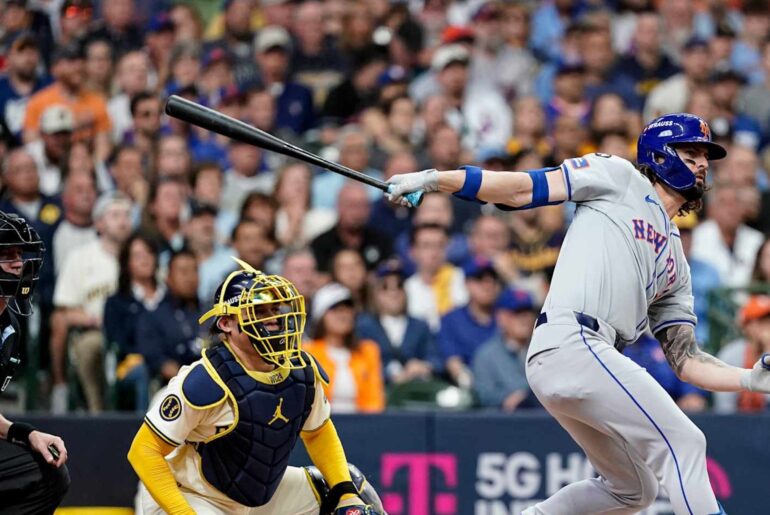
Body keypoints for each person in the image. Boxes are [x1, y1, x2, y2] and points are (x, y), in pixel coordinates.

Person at [386, 113, 770, 514]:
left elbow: (686, 361)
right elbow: (521, 189)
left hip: (584, 355)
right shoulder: (619, 177)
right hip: (573, 339)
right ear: (660, 155)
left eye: (706, 156)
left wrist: (747, 378)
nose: (703, 163)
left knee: (634, 490)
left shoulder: (676, 254)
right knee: (686, 443)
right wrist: (436, 179)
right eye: (691, 153)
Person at [127, 259, 384, 515]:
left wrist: (345, 493)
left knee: (353, 491)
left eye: (275, 310)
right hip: (193, 496)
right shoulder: (204, 380)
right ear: (226, 323)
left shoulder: (300, 370)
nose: (272, 319)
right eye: (259, 312)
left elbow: (317, 431)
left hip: (254, 499)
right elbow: (144, 451)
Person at [0, 211, 70, 512]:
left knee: (50, 472)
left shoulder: (10, 324)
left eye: (19, 254)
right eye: (6, 255)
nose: (19, 264)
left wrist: (26, 433)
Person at [303, 283, 386, 413]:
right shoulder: (307, 352)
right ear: (321, 316)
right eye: (336, 309)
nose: (343, 315)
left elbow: (374, 401)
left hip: (363, 425)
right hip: (322, 428)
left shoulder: (368, 351)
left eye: (348, 309)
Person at [472, 288, 539, 412]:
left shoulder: (544, 349)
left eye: (528, 312)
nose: (525, 319)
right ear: (501, 317)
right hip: (505, 422)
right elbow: (484, 396)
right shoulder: (487, 355)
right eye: (517, 313)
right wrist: (508, 398)